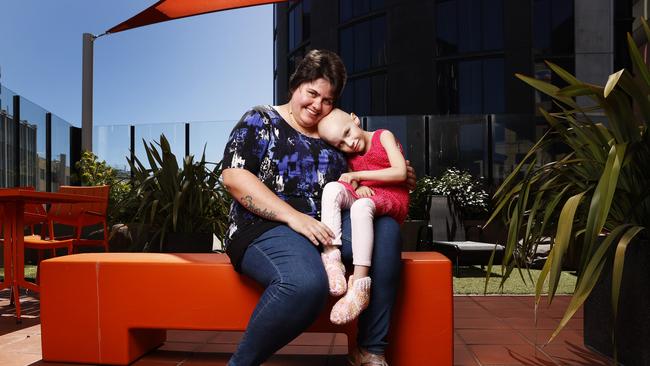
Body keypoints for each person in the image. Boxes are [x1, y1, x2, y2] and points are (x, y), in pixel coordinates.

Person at [221, 49, 415, 366]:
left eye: (327, 99)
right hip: (265, 228)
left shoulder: (332, 134)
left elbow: (370, 164)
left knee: (387, 229)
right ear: (295, 85)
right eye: (312, 93)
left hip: (325, 228)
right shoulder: (261, 119)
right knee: (305, 285)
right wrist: (294, 218)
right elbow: (234, 177)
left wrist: (401, 172)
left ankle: (370, 350)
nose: (317, 105)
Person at [317, 109, 409, 326]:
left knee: (360, 207)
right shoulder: (350, 155)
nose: (349, 143)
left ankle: (359, 284)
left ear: (354, 118)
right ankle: (332, 257)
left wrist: (358, 177)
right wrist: (357, 185)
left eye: (348, 132)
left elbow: (400, 172)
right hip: (367, 196)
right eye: (341, 144)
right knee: (332, 189)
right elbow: (353, 182)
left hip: (392, 196)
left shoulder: (382, 135)